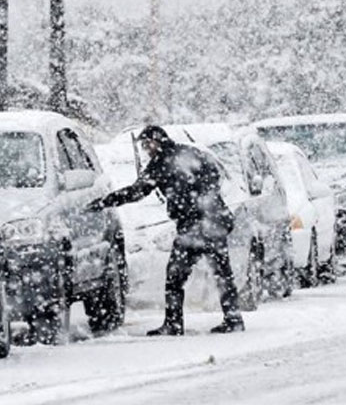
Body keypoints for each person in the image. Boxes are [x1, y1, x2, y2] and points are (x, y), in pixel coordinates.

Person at [86, 125, 245, 335]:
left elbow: (137, 192)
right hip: (215, 221)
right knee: (222, 273)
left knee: (175, 276)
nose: (146, 150)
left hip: (194, 227)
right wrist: (204, 198)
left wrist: (104, 202)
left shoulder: (160, 164)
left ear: (157, 141)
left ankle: (174, 323)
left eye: (147, 144)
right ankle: (233, 319)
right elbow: (214, 175)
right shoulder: (190, 153)